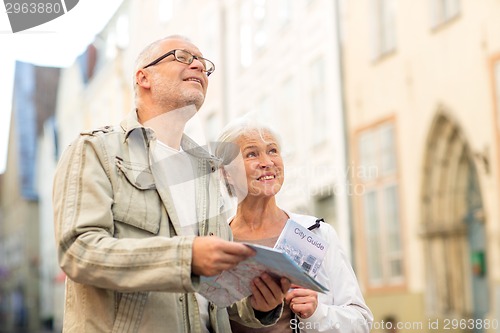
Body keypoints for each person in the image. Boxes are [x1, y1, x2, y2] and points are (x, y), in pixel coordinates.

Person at [52, 35, 290, 332]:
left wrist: (258, 304)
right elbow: (79, 252)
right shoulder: (96, 151)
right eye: (183, 56)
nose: (200, 67)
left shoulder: (206, 172)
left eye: (204, 65)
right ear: (143, 78)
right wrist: (186, 257)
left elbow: (221, 293)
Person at [216, 118, 374, 332]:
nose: (267, 162)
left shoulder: (317, 234)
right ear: (227, 173)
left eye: (272, 151)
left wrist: (318, 314)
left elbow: (362, 322)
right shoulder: (215, 242)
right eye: (252, 154)